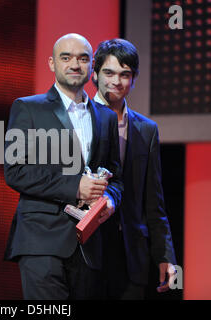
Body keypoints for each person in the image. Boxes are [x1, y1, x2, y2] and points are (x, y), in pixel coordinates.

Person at [3, 33, 123, 299]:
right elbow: (15, 171)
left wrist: (110, 200)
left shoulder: (106, 117)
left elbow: (116, 176)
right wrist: (75, 187)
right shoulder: (27, 108)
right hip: (41, 240)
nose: (74, 64)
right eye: (65, 57)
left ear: (92, 66)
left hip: (88, 244)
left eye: (82, 58)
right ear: (51, 63)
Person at [92, 38, 177, 299]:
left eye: (124, 74)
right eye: (109, 72)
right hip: (86, 247)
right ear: (94, 75)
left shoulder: (146, 129)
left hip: (131, 254)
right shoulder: (77, 119)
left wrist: (165, 255)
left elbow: (154, 199)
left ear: (134, 78)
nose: (116, 81)